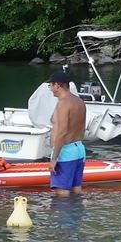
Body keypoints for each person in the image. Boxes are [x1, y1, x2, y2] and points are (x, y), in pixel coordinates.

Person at [46, 69, 87, 197]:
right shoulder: (79, 102)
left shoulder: (63, 103)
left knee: (62, 193)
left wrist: (54, 159)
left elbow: (62, 132)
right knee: (76, 189)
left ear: (57, 85)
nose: (50, 89)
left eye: (50, 85)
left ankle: (63, 217)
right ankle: (78, 216)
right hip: (79, 149)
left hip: (66, 151)